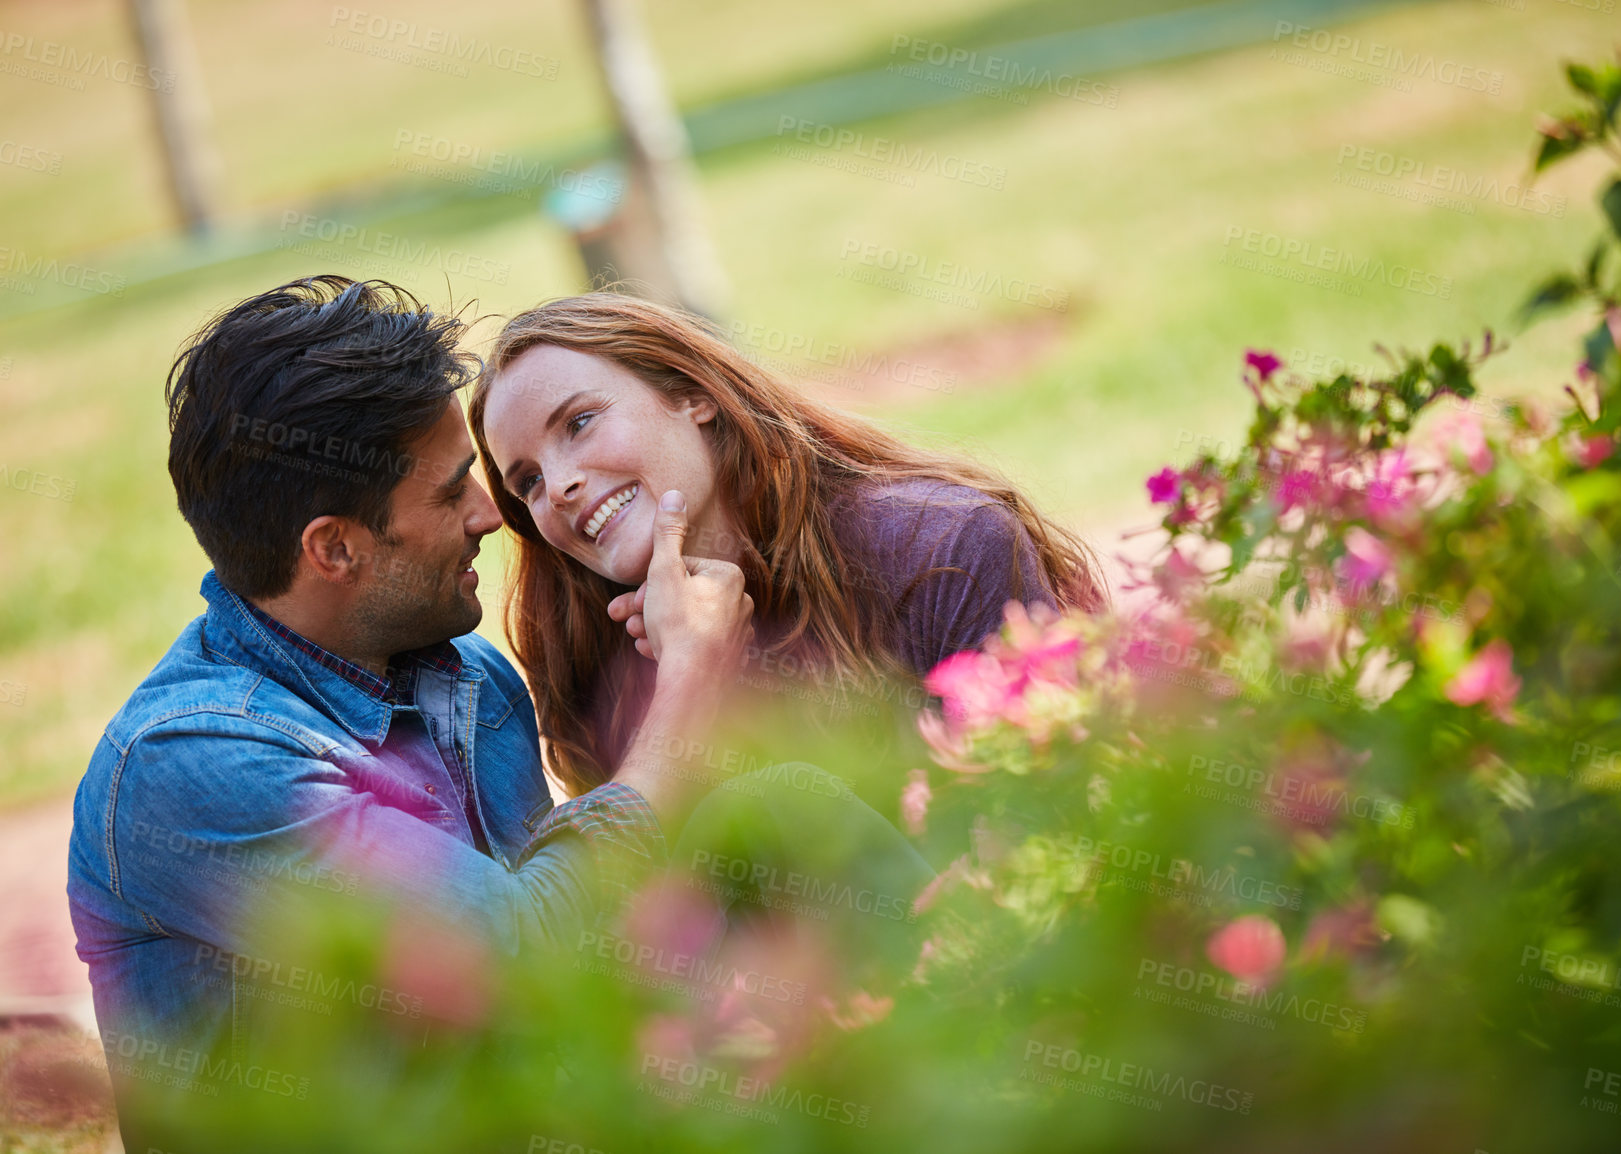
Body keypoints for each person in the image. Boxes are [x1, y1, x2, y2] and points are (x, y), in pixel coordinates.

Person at [65, 276, 752, 1150]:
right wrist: (687, 688)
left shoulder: (465, 677)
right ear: (335, 548)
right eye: (452, 490)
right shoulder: (193, 766)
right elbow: (528, 959)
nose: (489, 516)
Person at [469, 292, 1106, 798]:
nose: (559, 486)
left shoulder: (941, 549)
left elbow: (1046, 822)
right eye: (526, 481)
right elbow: (637, 913)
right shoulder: (589, 655)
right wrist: (689, 681)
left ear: (690, 395)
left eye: (579, 424)